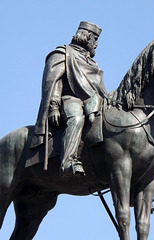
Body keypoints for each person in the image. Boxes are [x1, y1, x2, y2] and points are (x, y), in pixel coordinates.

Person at [30, 21, 107, 176]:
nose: (97, 44)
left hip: (92, 101)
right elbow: (53, 83)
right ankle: (68, 161)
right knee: (76, 118)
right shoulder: (63, 53)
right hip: (69, 99)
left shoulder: (91, 62)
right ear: (86, 37)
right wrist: (53, 107)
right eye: (95, 39)